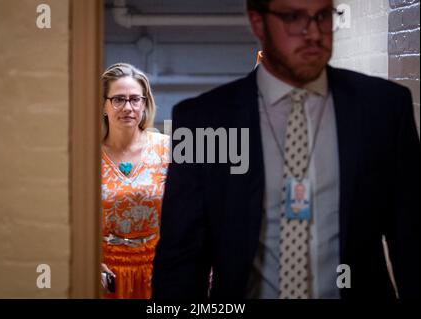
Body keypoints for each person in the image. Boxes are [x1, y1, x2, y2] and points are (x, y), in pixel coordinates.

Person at [152, 0, 420, 299]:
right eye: (294, 17)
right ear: (258, 23)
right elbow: (181, 262)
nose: (314, 33)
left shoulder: (383, 108)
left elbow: (412, 243)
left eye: (323, 16)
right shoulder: (204, 121)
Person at [100, 63, 170, 299]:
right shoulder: (84, 154)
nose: (128, 107)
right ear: (104, 105)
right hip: (104, 273)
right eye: (118, 99)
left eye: (135, 99)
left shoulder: (167, 149)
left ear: (144, 103)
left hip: (158, 269)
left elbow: (190, 213)